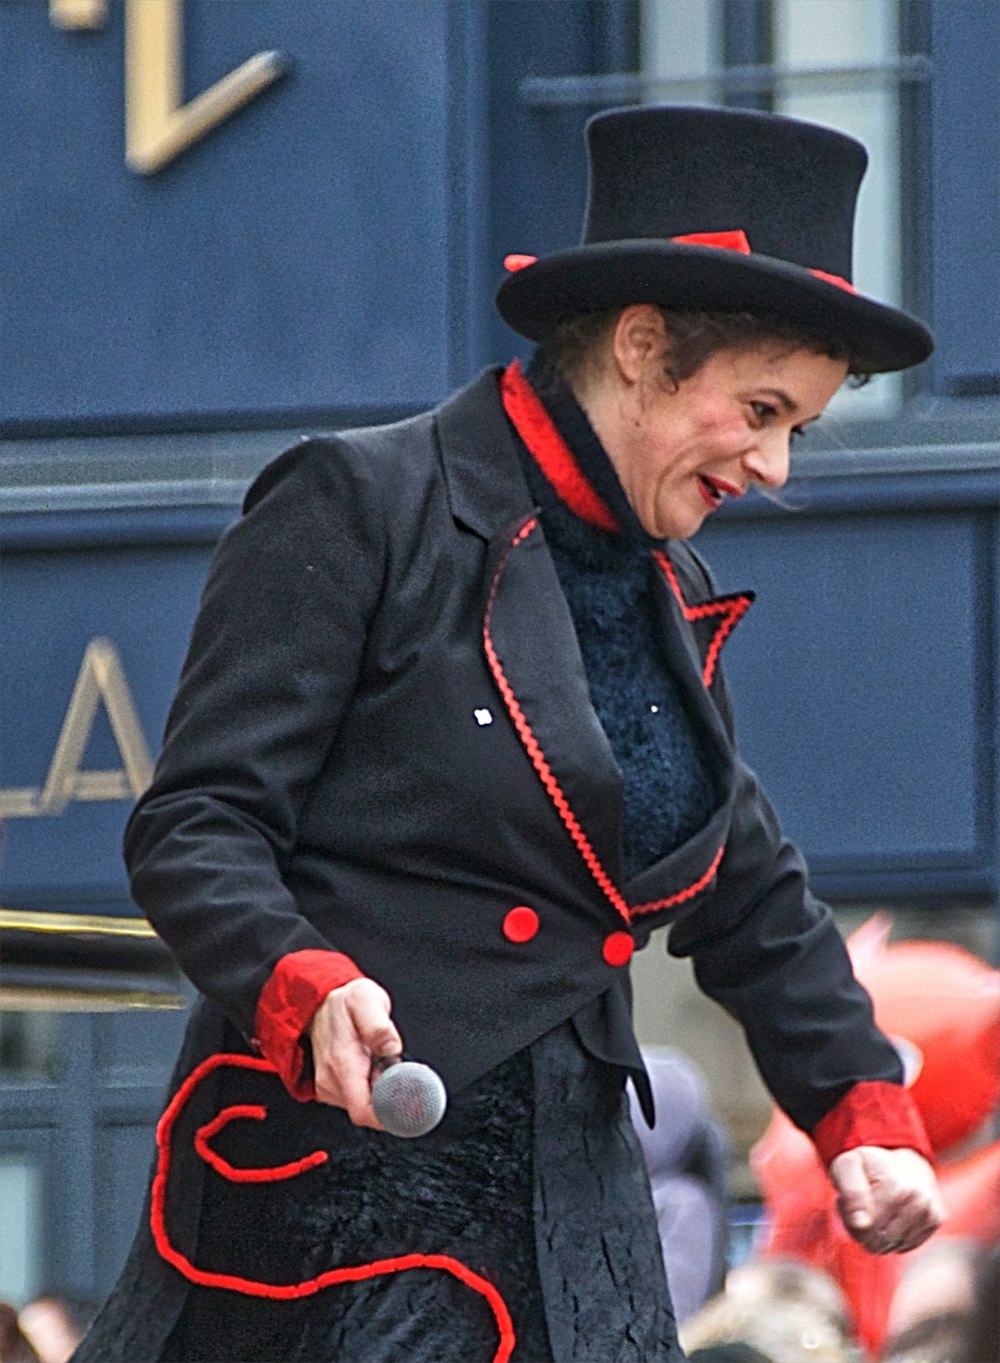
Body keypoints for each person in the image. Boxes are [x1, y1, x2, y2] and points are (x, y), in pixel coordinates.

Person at [72, 105, 945, 1363]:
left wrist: (864, 1114)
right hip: (341, 1205)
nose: (771, 465)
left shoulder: (669, 593)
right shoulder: (362, 502)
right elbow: (196, 824)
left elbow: (752, 897)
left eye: (794, 428)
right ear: (642, 347)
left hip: (570, 1213)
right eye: (759, 410)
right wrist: (300, 980)